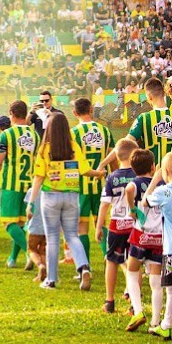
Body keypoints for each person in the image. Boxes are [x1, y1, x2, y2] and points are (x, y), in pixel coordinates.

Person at [27, 113, 104, 290]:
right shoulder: (73, 147)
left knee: (53, 238)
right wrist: (99, 173)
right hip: (72, 196)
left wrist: (31, 202)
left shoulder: (44, 150)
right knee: (72, 235)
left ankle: (51, 279)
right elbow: (85, 171)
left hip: (50, 197)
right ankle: (84, 267)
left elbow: (39, 177)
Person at [0, 100, 40, 269]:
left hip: (11, 186)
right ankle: (12, 259)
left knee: (8, 223)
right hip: (29, 185)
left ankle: (30, 252)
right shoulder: (35, 135)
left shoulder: (7, 135)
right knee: (20, 224)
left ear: (11, 114)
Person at [95, 138, 138, 314]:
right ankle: (134, 304)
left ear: (117, 157)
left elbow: (104, 204)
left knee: (112, 261)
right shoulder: (138, 176)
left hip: (116, 225)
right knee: (134, 264)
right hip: (135, 225)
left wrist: (99, 226)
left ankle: (109, 301)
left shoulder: (112, 177)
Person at [124, 149, 164, 332]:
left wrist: (132, 208)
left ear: (133, 169)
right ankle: (155, 322)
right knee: (156, 282)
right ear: (152, 166)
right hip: (159, 236)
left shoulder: (136, 183)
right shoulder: (161, 184)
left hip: (141, 234)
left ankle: (138, 312)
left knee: (132, 272)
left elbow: (128, 189)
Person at [70, 98, 115, 262]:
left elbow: (70, 162)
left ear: (74, 113)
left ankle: (85, 265)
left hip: (80, 187)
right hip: (102, 186)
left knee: (81, 227)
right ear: (91, 110)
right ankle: (109, 260)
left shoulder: (73, 133)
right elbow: (113, 158)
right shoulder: (105, 131)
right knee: (101, 223)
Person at [100, 77, 172, 170]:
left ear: (149, 97)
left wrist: (103, 164)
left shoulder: (143, 118)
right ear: (164, 94)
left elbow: (124, 145)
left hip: (152, 173)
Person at [142, 151, 172, 339]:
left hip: (171, 249)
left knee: (170, 289)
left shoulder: (163, 192)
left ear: (166, 171)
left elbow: (145, 202)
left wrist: (154, 181)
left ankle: (166, 325)